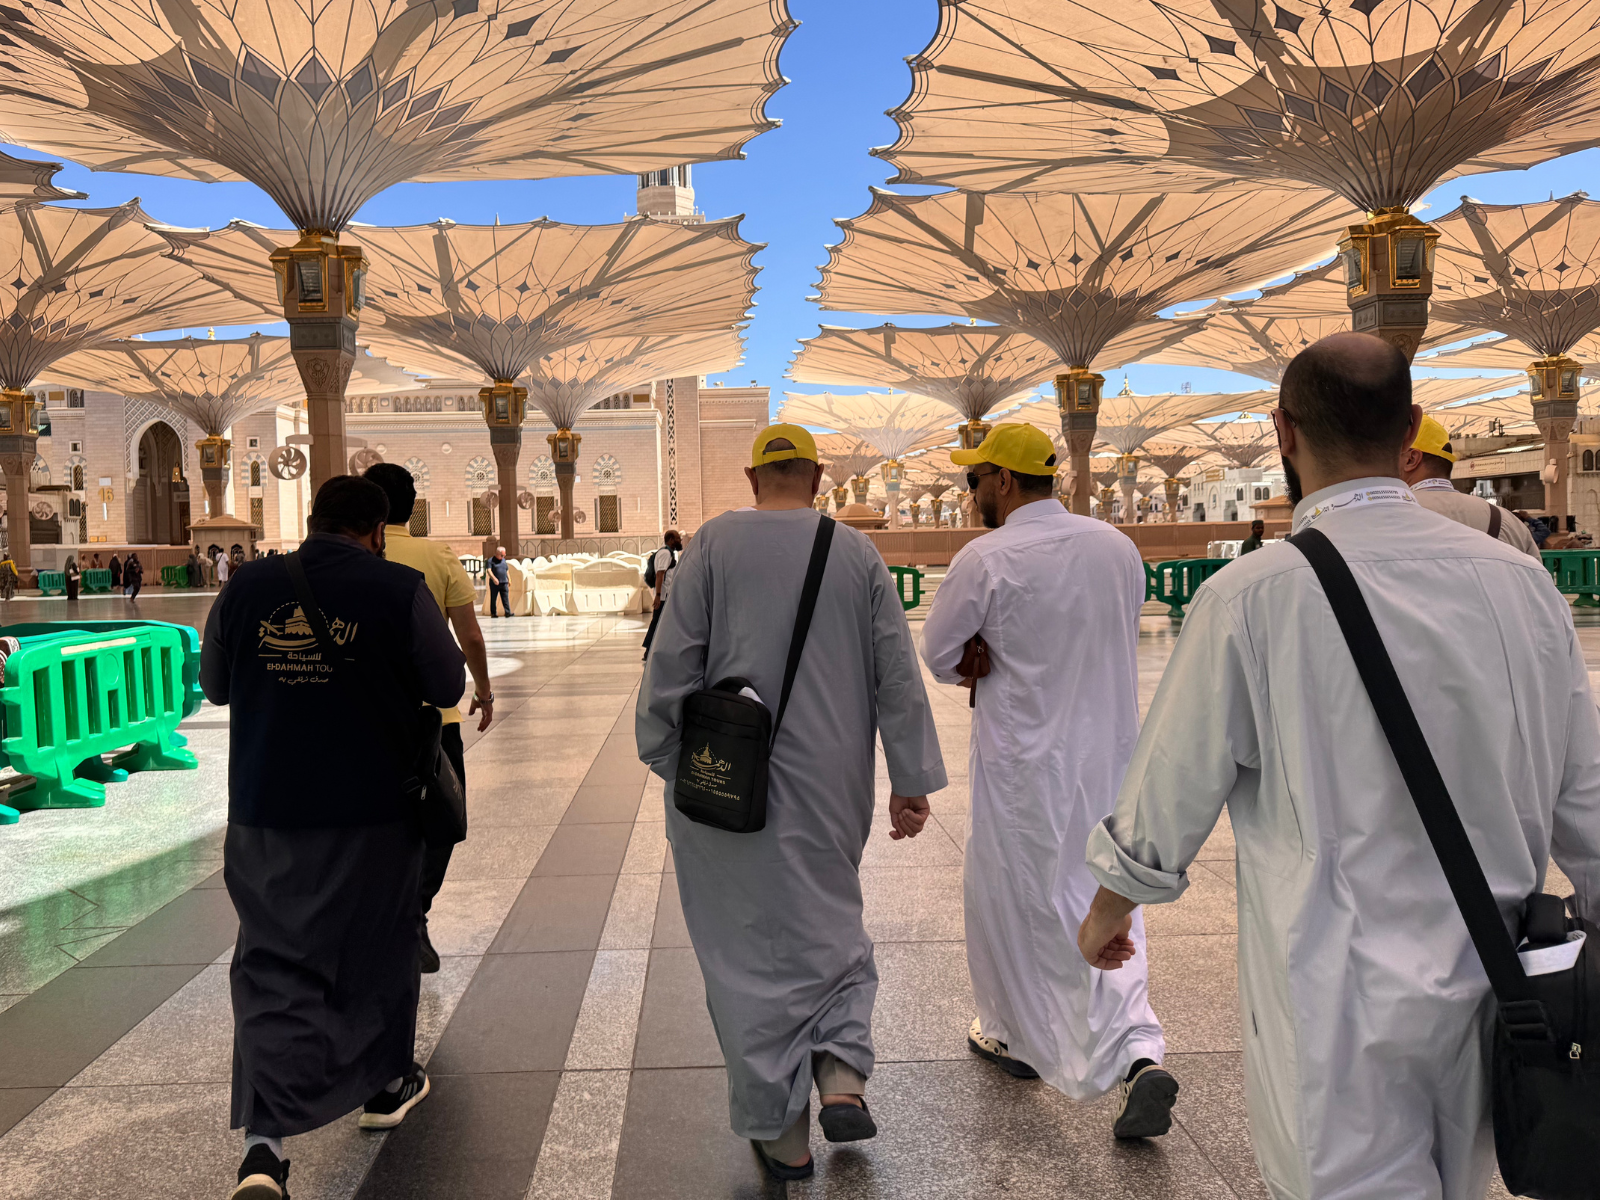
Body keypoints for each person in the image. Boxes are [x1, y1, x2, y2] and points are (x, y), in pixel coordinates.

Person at [1078, 333, 1600, 1200]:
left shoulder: (1252, 595)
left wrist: (1110, 908)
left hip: (1333, 996)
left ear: (1282, 431)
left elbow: (1171, 786)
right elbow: (1586, 793)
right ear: (1412, 428)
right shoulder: (1523, 585)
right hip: (1497, 984)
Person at [637, 424, 946, 1181]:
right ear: (816, 477)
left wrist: (669, 758)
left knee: (743, 952)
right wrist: (909, 779)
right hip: (830, 785)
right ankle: (841, 1070)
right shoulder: (856, 552)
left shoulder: (712, 545)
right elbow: (896, 673)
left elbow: (671, 662)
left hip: (725, 785)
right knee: (830, 922)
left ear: (752, 479)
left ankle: (783, 1136)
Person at [203, 475, 465, 1200]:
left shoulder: (248, 586)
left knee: (270, 962)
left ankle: (263, 1150)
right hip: (372, 811)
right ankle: (385, 1086)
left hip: (266, 809)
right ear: (377, 531)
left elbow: (216, 686)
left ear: (314, 519)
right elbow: (447, 687)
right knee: (377, 948)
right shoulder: (399, 588)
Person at [920, 424, 1174, 1138]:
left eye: (974, 480)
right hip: (1110, 756)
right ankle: (1138, 1051)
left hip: (1024, 765)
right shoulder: (1116, 547)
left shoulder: (986, 557)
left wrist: (979, 650)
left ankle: (1015, 1036)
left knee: (1019, 897)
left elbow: (939, 654)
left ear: (1003, 480)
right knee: (1109, 897)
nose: (970, 494)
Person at [364, 462, 495, 973]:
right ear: (411, 506)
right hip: (434, 720)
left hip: (368, 718)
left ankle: (382, 916)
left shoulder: (355, 557)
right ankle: (414, 912)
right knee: (441, 817)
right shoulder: (437, 557)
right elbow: (470, 636)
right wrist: (483, 691)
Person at [1401, 415, 1540, 557]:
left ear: (1411, 459)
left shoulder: (1395, 515)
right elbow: (1536, 570)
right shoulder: (1508, 522)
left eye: (1390, 455)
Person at [640, 529, 682, 662]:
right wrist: (658, 595)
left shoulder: (668, 553)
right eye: (677, 538)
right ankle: (648, 650)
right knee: (657, 622)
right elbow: (660, 574)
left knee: (661, 622)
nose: (680, 541)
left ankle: (655, 649)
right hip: (663, 596)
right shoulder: (665, 553)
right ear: (670, 540)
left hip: (665, 595)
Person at [485, 547, 510, 617]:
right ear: (497, 554)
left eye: (504, 555)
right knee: (493, 598)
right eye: (501, 555)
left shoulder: (504, 560)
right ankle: (493, 613)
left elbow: (507, 570)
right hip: (495, 583)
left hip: (504, 582)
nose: (503, 557)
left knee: (505, 598)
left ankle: (507, 612)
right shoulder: (490, 561)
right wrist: (494, 579)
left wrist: (509, 578)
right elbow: (489, 570)